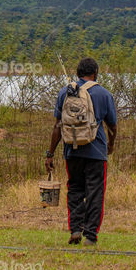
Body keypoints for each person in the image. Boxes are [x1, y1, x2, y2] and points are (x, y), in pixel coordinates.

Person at [45, 57, 117, 246]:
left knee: (75, 189)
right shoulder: (104, 94)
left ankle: (76, 229)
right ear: (95, 73)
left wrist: (49, 153)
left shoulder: (65, 92)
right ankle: (91, 236)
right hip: (96, 152)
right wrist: (111, 145)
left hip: (72, 151)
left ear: (78, 74)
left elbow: (57, 125)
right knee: (95, 192)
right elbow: (112, 126)